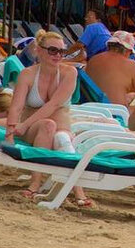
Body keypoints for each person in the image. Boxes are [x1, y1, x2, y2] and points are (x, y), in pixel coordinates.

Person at [6, 30, 90, 206]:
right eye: (52, 50)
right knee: (48, 126)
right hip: (35, 129)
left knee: (60, 136)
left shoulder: (69, 73)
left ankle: (78, 191)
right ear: (39, 50)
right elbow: (16, 106)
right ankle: (36, 183)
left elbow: (54, 104)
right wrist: (10, 133)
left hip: (60, 128)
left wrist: (23, 125)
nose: (58, 55)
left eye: (61, 51)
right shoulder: (28, 74)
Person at [84, 30, 135, 106]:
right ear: (127, 51)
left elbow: (108, 86)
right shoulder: (131, 65)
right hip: (115, 112)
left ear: (109, 45)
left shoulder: (93, 59)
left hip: (91, 107)